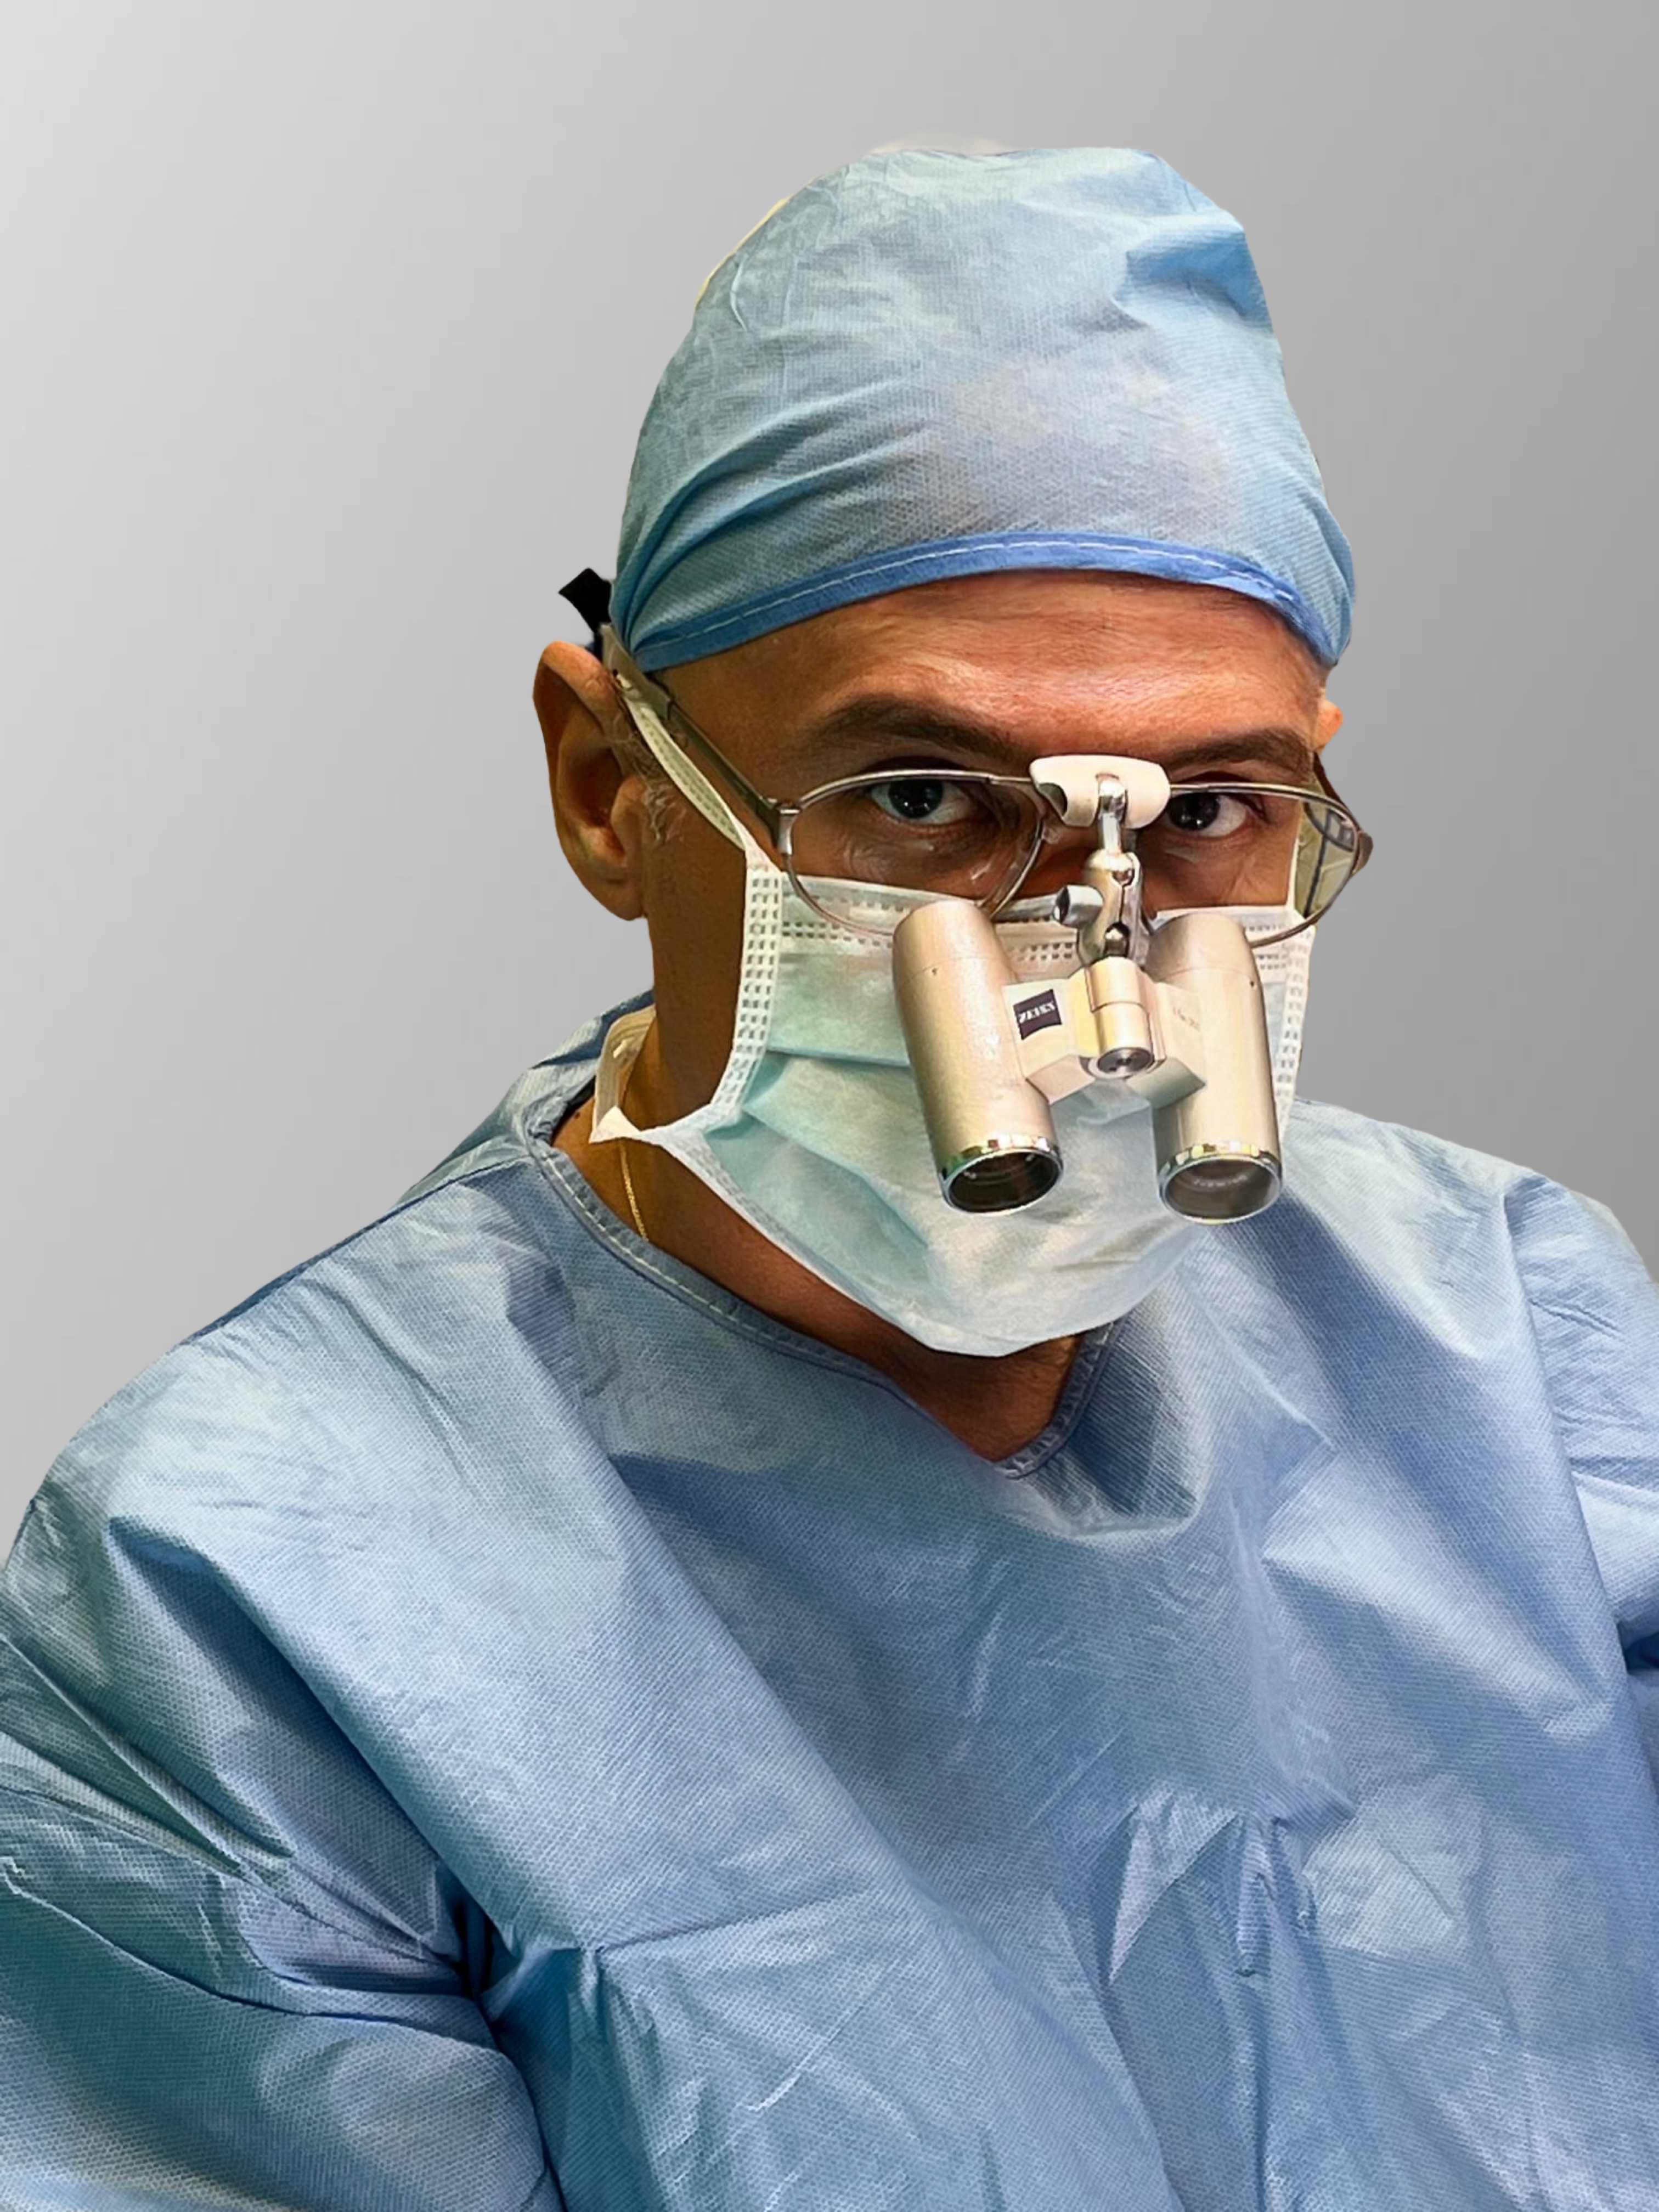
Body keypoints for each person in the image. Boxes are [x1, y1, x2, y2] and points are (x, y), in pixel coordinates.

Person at [3, 147, 1657, 2212]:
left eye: (1212, 809)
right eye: (925, 797)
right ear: (611, 788)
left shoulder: (1510, 1327)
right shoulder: (254, 1589)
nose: (1090, 953)